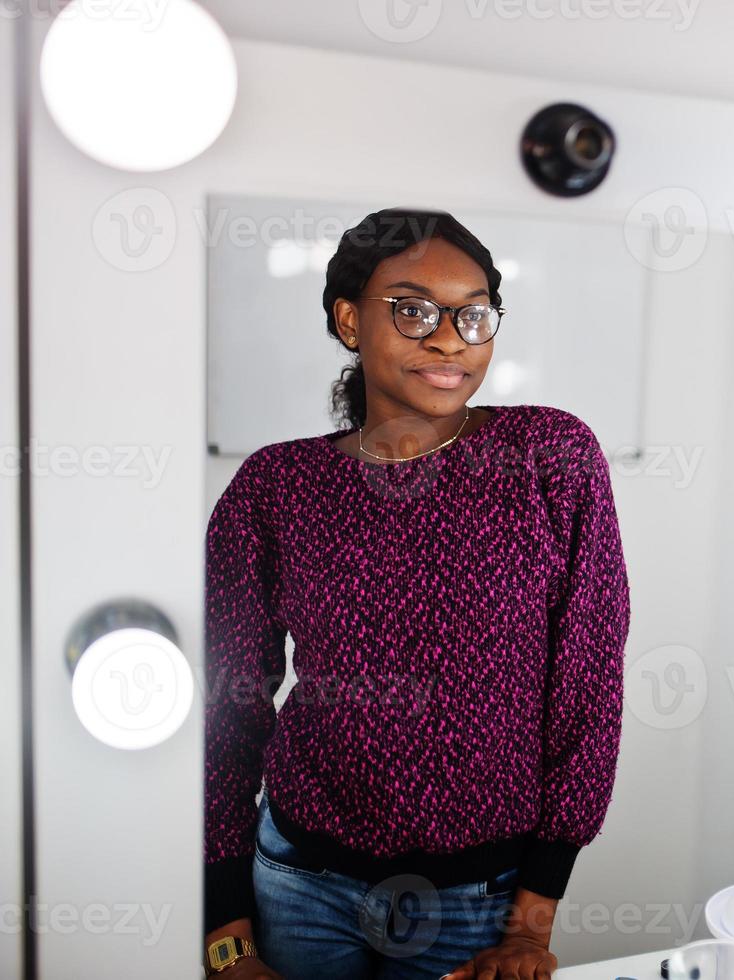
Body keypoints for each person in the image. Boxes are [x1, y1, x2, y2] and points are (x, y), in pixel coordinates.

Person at [201, 207, 631, 979]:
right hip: (298, 885)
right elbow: (228, 708)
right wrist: (225, 928)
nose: (448, 338)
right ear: (347, 321)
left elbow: (588, 686)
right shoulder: (275, 486)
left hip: (480, 900)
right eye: (412, 309)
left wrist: (530, 927)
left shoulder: (550, 457)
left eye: (473, 315)